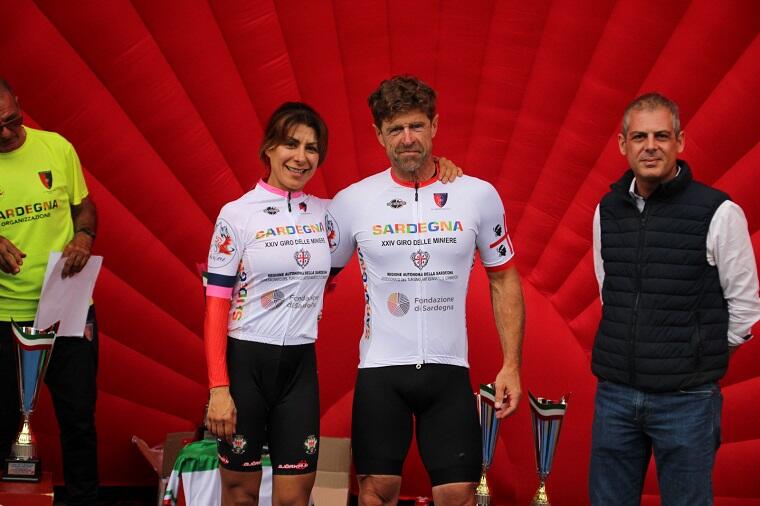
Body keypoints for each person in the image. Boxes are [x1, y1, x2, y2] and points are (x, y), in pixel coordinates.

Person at [203, 101, 462, 506]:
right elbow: (216, 305)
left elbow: (387, 194)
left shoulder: (329, 213)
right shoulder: (236, 215)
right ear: (269, 148)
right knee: (240, 494)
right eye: (291, 144)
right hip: (244, 364)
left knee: (295, 497)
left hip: (299, 369)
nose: (301, 157)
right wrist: (219, 388)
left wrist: (438, 168)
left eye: (312, 148)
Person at [326, 75, 525, 506]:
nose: (408, 138)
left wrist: (511, 364)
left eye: (416, 125)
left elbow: (504, 278)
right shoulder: (352, 200)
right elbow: (315, 271)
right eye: (395, 129)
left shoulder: (476, 195)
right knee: (376, 491)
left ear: (434, 125)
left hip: (448, 371)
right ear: (378, 135)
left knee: (458, 494)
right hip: (381, 370)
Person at [589, 92, 760, 505]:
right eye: (640, 137)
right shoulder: (606, 210)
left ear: (679, 141)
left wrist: (698, 357)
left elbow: (745, 306)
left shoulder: (719, 211)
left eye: (661, 136)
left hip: (687, 401)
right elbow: (609, 291)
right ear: (623, 144)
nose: (650, 146)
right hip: (616, 395)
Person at [0, 78, 99, 504]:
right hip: (5, 312)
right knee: (3, 420)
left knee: (78, 420)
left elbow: (84, 206)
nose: (7, 133)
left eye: (12, 120)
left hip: (67, 303)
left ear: (19, 103)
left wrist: (84, 237)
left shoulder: (56, 147)